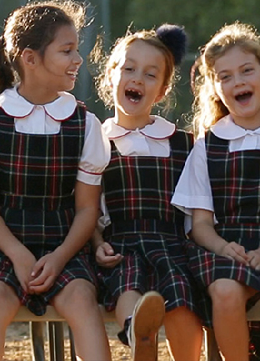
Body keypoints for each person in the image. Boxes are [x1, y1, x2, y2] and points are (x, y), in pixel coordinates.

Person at [0, 0, 112, 361]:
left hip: (65, 245)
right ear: (30, 58)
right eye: (67, 51)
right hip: (2, 246)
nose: (78, 59)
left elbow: (87, 209)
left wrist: (58, 258)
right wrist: (19, 255)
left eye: (77, 50)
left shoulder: (85, 123)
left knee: (82, 301)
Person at [92, 24, 208, 361]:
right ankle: (137, 332)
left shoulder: (183, 143)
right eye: (128, 69)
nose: (137, 79)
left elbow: (195, 209)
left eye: (150, 74)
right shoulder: (97, 142)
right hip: (121, 242)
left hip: (172, 243)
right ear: (110, 76)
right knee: (126, 282)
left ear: (161, 90)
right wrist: (98, 246)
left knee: (181, 298)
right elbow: (87, 208)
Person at [172, 21, 260, 361]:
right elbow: (200, 225)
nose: (237, 81)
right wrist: (225, 248)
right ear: (215, 86)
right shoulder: (208, 145)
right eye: (225, 76)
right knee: (224, 292)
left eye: (246, 71)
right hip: (229, 249)